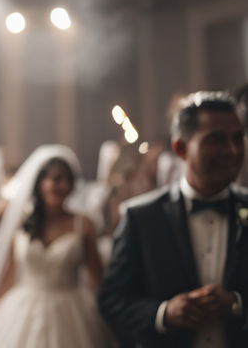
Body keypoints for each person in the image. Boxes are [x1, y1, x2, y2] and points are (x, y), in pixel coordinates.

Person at [99, 91, 248, 347]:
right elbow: (111, 301)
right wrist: (163, 313)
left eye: (238, 138)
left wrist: (236, 303)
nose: (232, 151)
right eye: (217, 140)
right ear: (181, 148)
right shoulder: (140, 217)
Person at [0, 145, 112, 347]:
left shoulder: (83, 224)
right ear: (39, 184)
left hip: (72, 313)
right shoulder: (22, 222)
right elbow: (10, 274)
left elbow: (95, 276)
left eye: (64, 179)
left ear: (72, 186)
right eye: (52, 178)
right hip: (21, 311)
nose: (58, 185)